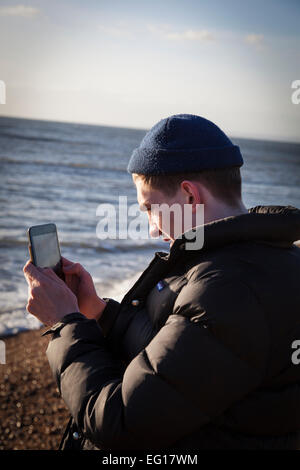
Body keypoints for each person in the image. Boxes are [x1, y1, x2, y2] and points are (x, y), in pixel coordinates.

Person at [23, 114, 300, 450]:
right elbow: (174, 352)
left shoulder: (227, 288)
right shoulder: (265, 258)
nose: (153, 229)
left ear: (189, 196)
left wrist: (64, 324)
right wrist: (97, 312)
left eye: (150, 207)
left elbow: (120, 423)